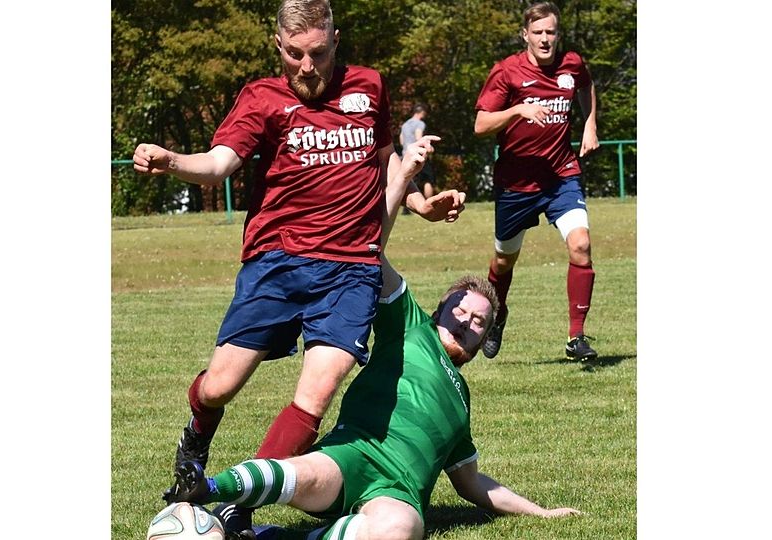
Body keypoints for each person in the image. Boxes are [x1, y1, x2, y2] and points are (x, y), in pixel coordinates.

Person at [131, 0, 464, 508]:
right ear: (278, 47)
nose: (307, 67)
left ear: (335, 40)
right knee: (219, 387)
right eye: (294, 55)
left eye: (317, 52)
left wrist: (419, 202)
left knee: (316, 395)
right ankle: (196, 437)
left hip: (353, 268)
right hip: (278, 262)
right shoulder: (260, 98)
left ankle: (230, 508)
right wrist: (172, 160)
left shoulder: (369, 86)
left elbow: (382, 161)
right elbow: (221, 163)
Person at [162, 153, 581, 539]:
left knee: (400, 529)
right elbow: (368, 251)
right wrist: (399, 180)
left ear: (484, 340)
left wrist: (542, 514)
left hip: (398, 491)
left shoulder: (462, 401)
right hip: (353, 452)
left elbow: (473, 483)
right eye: (460, 309)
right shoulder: (410, 323)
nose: (467, 321)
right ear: (440, 309)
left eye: (478, 322)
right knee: (304, 473)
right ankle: (208, 490)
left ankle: (280, 537)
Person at [473, 1, 600, 361]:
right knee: (502, 263)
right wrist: (517, 110)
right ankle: (498, 315)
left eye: (551, 32)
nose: (546, 40)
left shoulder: (571, 63)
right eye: (539, 33)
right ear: (525, 35)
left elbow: (586, 86)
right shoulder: (506, 73)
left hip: (561, 175)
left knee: (581, 245)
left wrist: (590, 124)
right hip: (516, 185)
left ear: (558, 34)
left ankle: (577, 337)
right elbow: (480, 125)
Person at [399, 104, 435, 201]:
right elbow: (418, 137)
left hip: (406, 155)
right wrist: (429, 148)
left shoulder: (405, 125)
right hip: (419, 154)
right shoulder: (420, 124)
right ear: (422, 112)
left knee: (409, 181)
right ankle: (430, 203)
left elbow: (402, 141)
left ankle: (407, 207)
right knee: (427, 179)